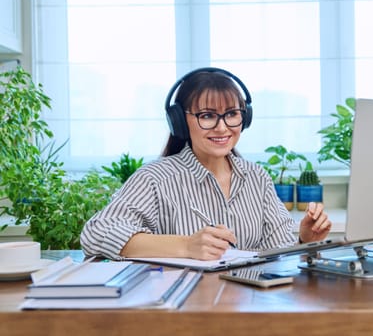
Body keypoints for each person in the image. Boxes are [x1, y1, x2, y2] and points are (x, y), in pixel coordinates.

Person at [80, 67, 332, 261]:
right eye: (207, 116)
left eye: (232, 114)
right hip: (185, 312)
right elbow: (96, 234)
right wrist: (186, 246)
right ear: (179, 121)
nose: (222, 127)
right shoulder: (155, 178)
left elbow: (277, 249)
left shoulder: (256, 177)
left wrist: (304, 237)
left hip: (248, 307)